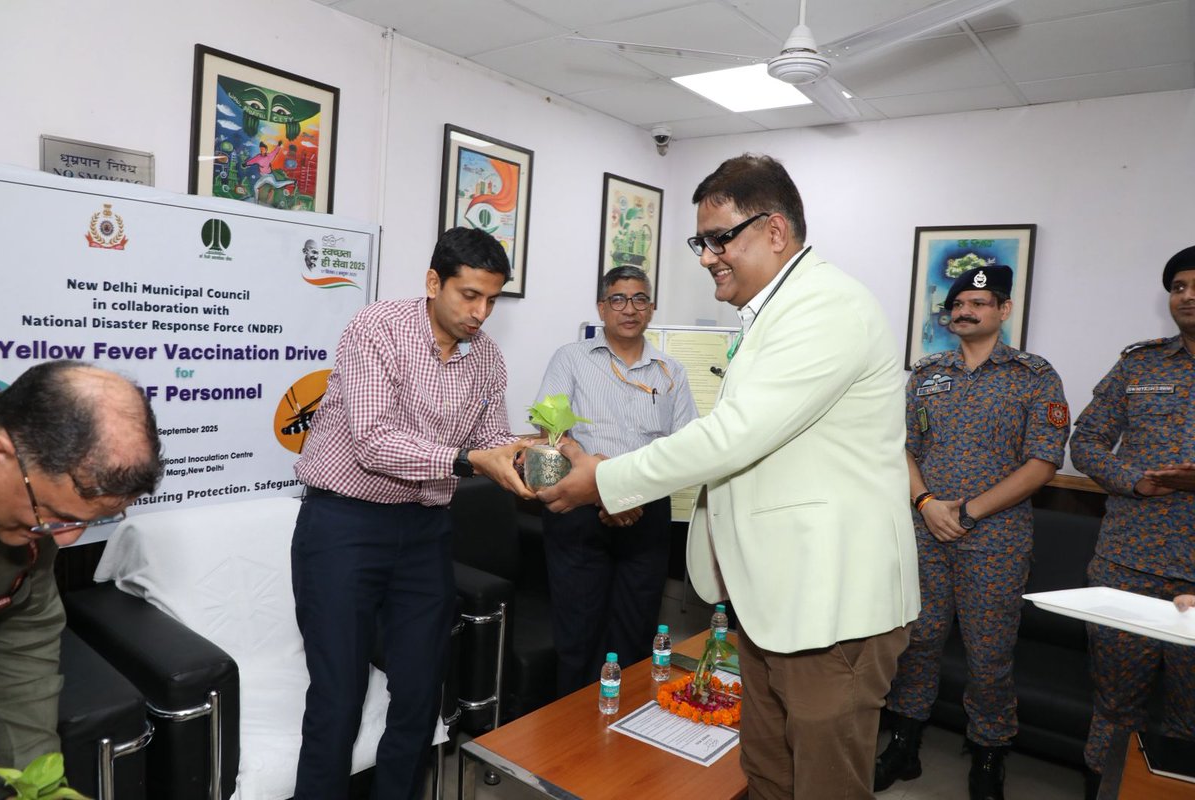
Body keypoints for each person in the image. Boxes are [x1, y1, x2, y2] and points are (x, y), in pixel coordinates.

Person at [539, 153, 920, 799]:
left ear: (774, 231)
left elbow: (730, 436)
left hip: (832, 605)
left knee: (822, 784)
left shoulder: (825, 306)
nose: (708, 255)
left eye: (720, 238)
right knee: (769, 776)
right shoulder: (770, 315)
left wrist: (605, 480)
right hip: (775, 602)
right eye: (701, 241)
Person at [290, 226, 535, 800]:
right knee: (339, 696)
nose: (481, 313)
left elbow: (490, 439)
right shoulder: (377, 329)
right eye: (469, 295)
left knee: (422, 691)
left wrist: (531, 451)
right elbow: (375, 442)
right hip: (345, 527)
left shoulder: (487, 359)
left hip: (425, 531)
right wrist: (469, 459)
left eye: (492, 300)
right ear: (433, 282)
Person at [876, 266, 1069, 800]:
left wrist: (968, 513)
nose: (965, 310)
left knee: (989, 656)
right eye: (959, 302)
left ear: (1003, 311)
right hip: (925, 530)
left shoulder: (1034, 375)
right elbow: (902, 447)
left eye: (980, 302)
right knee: (916, 642)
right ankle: (904, 744)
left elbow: (1044, 462)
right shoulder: (926, 373)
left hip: (996, 541)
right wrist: (926, 502)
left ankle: (988, 757)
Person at [534, 265, 698, 694]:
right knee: (578, 634)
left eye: (640, 299)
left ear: (652, 307)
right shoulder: (570, 358)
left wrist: (631, 494)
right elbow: (550, 432)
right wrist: (605, 490)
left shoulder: (671, 373)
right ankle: (570, 745)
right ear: (602, 308)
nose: (630, 308)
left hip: (646, 514)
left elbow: (684, 449)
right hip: (580, 510)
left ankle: (626, 739)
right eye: (619, 299)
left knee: (635, 630)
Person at [1069, 245, 1195, 799]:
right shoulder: (1140, 364)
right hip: (1129, 564)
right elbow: (1087, 441)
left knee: (1190, 710)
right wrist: (1134, 479)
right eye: (1179, 286)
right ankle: (1103, 788)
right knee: (1116, 700)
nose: (1188, 297)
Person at [0, 361, 162, 768]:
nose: (66, 538)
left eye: (85, 522)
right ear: (0, 453)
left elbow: (25, 633)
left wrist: (33, 778)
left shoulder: (36, 517)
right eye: (54, 513)